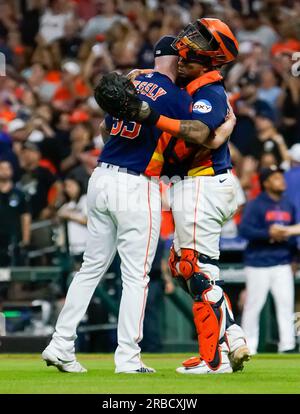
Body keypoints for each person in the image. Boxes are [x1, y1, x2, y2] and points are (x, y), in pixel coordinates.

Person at [42, 36, 233, 374]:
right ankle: (128, 358)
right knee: (136, 277)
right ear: (176, 59)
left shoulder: (132, 80)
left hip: (101, 176)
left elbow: (104, 129)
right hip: (137, 184)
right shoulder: (175, 95)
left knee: (90, 268)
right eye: (184, 56)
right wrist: (227, 126)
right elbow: (202, 134)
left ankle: (60, 344)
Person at [106, 18, 250, 374]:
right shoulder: (186, 83)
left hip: (204, 181)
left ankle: (213, 360)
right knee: (182, 266)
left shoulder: (209, 90)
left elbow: (200, 130)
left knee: (195, 267)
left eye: (199, 38)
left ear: (212, 54)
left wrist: (148, 114)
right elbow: (160, 74)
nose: (188, 42)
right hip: (191, 183)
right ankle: (230, 332)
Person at [240, 165, 297, 355]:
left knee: (285, 305)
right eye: (276, 178)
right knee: (253, 306)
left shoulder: (288, 204)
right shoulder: (256, 204)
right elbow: (245, 231)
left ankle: (287, 346)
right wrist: (268, 233)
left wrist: (295, 258)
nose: (281, 180)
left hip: (282, 261)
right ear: (266, 183)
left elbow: (295, 233)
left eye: (281, 177)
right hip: (258, 262)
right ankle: (249, 346)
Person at [0, 159, 31, 267]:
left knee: (17, 270)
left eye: (7, 168)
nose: (4, 171)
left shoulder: (19, 194)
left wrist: (26, 239)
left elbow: (26, 216)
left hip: (14, 238)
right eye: (1, 168)